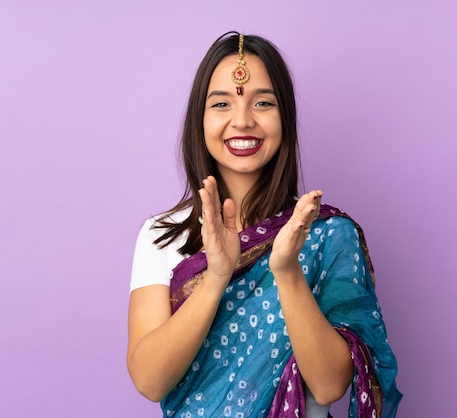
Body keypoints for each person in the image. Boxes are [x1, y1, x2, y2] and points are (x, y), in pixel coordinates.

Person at [127, 32, 402, 418]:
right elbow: (150, 380)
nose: (242, 121)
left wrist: (287, 270)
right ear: (199, 119)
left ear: (284, 117)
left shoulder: (325, 234)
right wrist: (216, 276)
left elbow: (329, 385)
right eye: (222, 103)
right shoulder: (162, 234)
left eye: (263, 103)